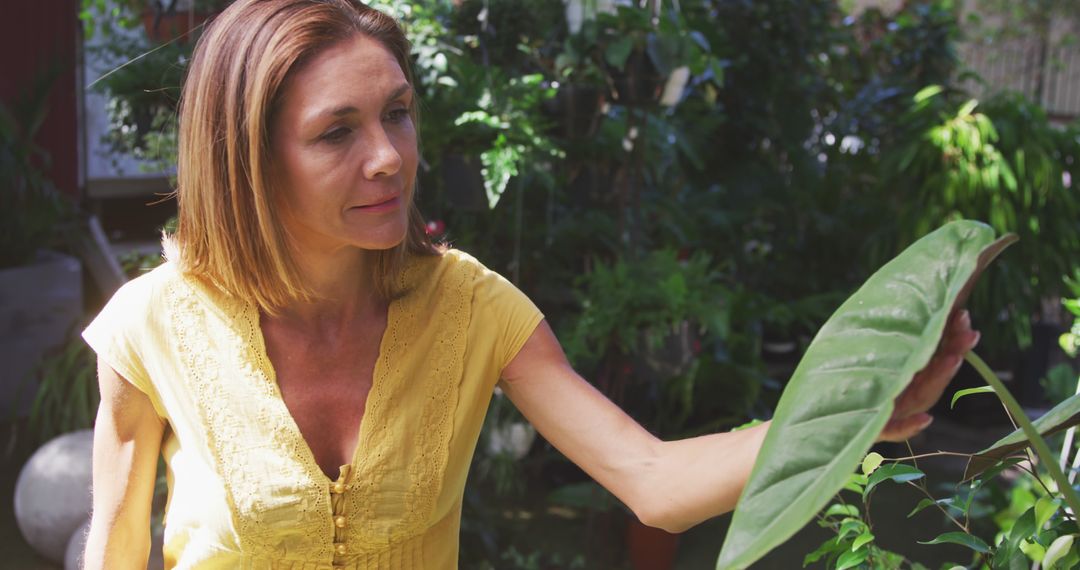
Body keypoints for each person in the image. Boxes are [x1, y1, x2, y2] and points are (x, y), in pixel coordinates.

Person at [80, 0, 980, 568]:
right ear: (248, 161)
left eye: (397, 113)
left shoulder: (471, 308)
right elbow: (117, 551)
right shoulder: (151, 327)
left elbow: (653, 480)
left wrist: (857, 412)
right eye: (336, 133)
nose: (390, 158)